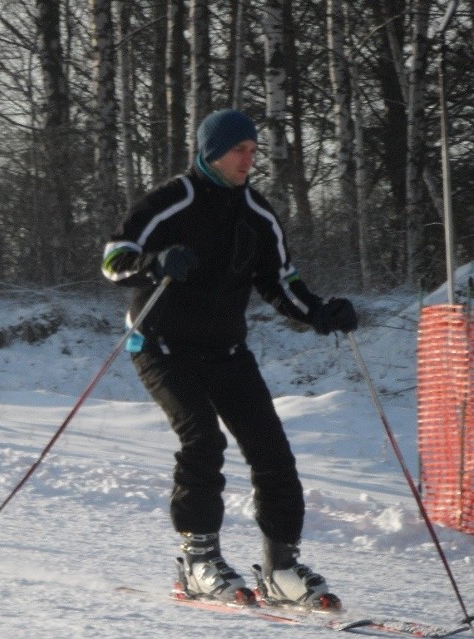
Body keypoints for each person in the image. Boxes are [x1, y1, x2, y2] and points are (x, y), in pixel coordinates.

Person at [100, 109, 358, 607]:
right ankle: (198, 561)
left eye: (254, 150)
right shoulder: (170, 202)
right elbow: (114, 260)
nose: (249, 159)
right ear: (212, 151)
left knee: (272, 452)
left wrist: (321, 312)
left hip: (226, 349)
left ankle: (281, 568)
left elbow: (281, 282)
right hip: (161, 344)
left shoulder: (257, 213)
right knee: (203, 438)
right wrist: (152, 264)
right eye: (241, 150)